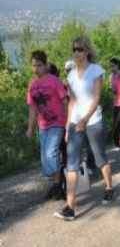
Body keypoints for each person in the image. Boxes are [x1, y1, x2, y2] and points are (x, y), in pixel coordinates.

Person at [54, 37, 114, 221]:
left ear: (87, 51)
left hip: (93, 120)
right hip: (75, 122)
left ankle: (109, 187)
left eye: (79, 49)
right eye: (74, 49)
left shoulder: (96, 71)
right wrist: (68, 125)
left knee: (99, 158)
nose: (76, 52)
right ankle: (70, 207)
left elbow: (96, 98)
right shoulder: (71, 75)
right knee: (72, 162)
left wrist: (85, 119)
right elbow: (72, 101)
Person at [26, 51, 68, 200]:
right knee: (45, 159)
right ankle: (58, 184)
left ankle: (59, 183)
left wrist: (67, 122)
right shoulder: (32, 85)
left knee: (51, 153)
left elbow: (64, 101)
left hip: (57, 122)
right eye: (33, 65)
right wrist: (30, 128)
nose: (36, 69)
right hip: (43, 125)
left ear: (45, 65)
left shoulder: (54, 81)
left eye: (39, 65)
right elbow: (32, 108)